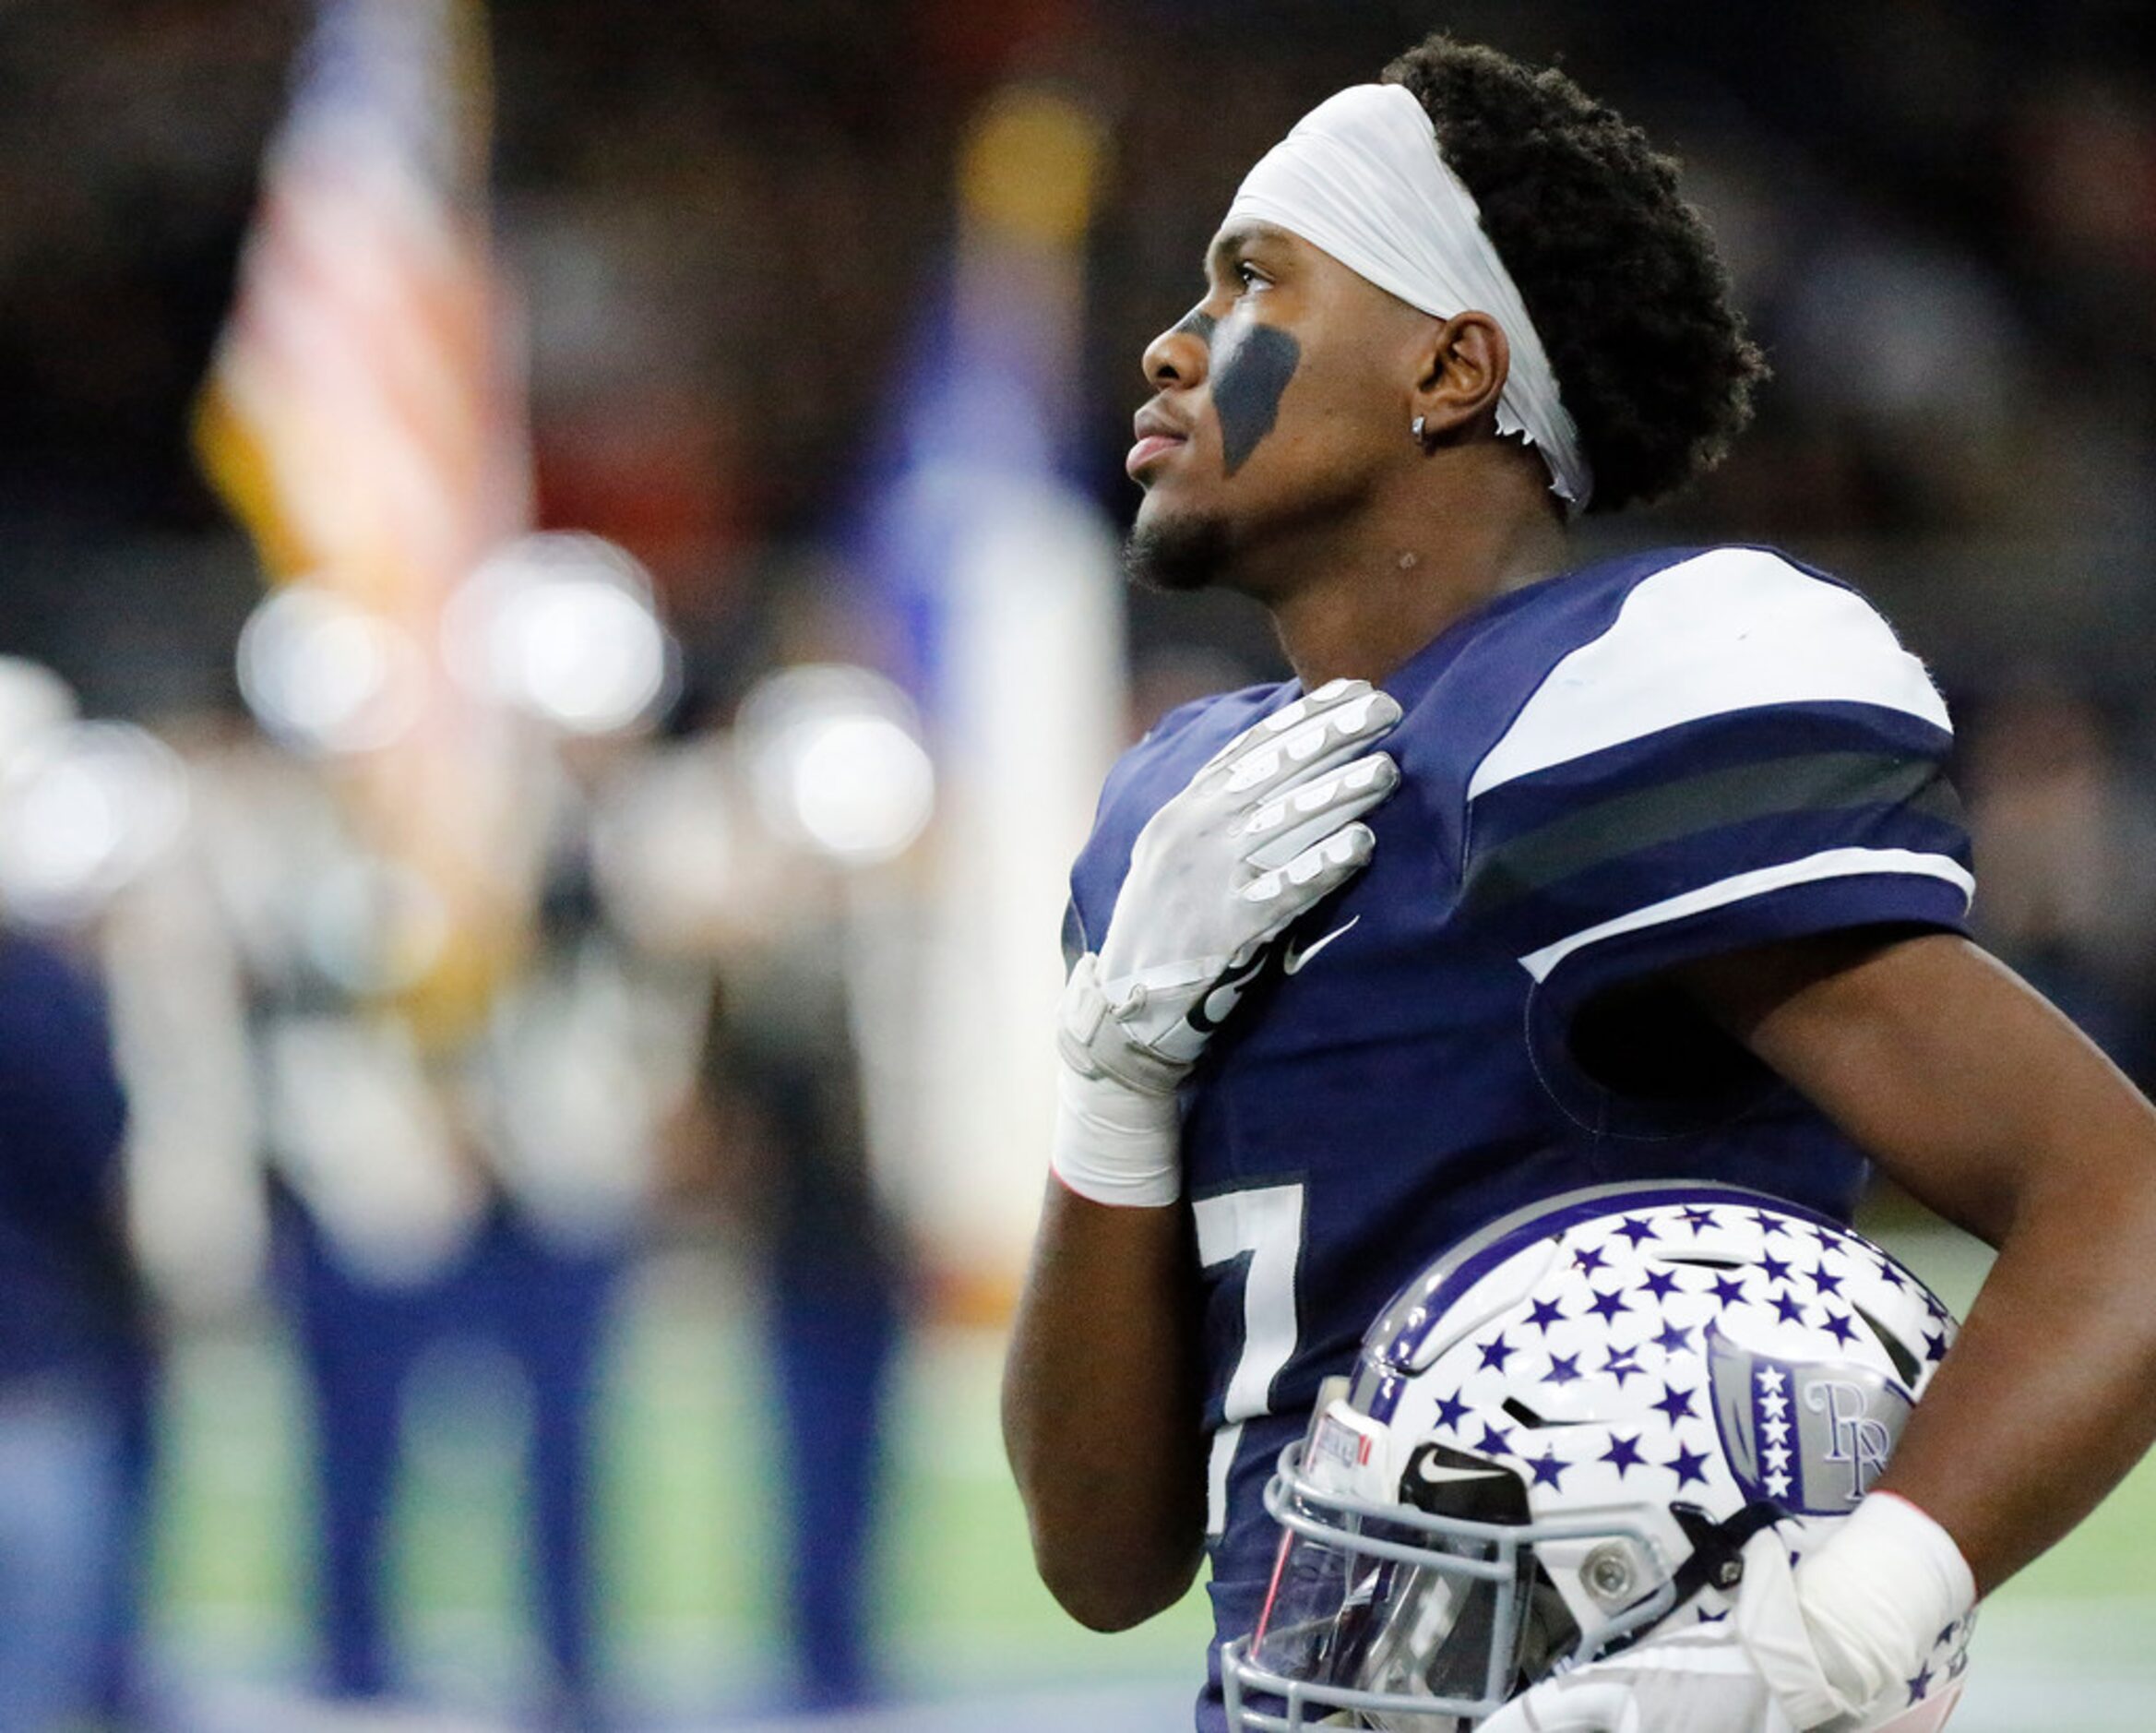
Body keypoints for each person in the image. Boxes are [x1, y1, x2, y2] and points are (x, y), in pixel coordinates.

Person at [1001, 33, 2156, 1733]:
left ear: (1452, 369)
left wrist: (1835, 1627)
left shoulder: (1622, 695)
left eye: (1254, 281)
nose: (1176, 344)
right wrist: (1114, 1082)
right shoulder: (1181, 809)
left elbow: (2120, 1198)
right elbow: (1101, 1559)